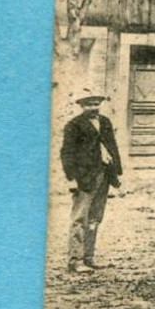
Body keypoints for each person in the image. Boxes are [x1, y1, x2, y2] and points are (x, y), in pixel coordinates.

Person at [59, 88, 122, 274]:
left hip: (104, 175)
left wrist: (116, 173)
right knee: (79, 218)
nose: (93, 107)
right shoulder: (74, 125)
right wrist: (71, 178)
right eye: (89, 104)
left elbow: (112, 147)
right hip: (84, 177)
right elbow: (67, 153)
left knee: (95, 218)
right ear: (81, 105)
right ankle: (75, 260)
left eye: (96, 103)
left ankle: (88, 258)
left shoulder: (105, 122)